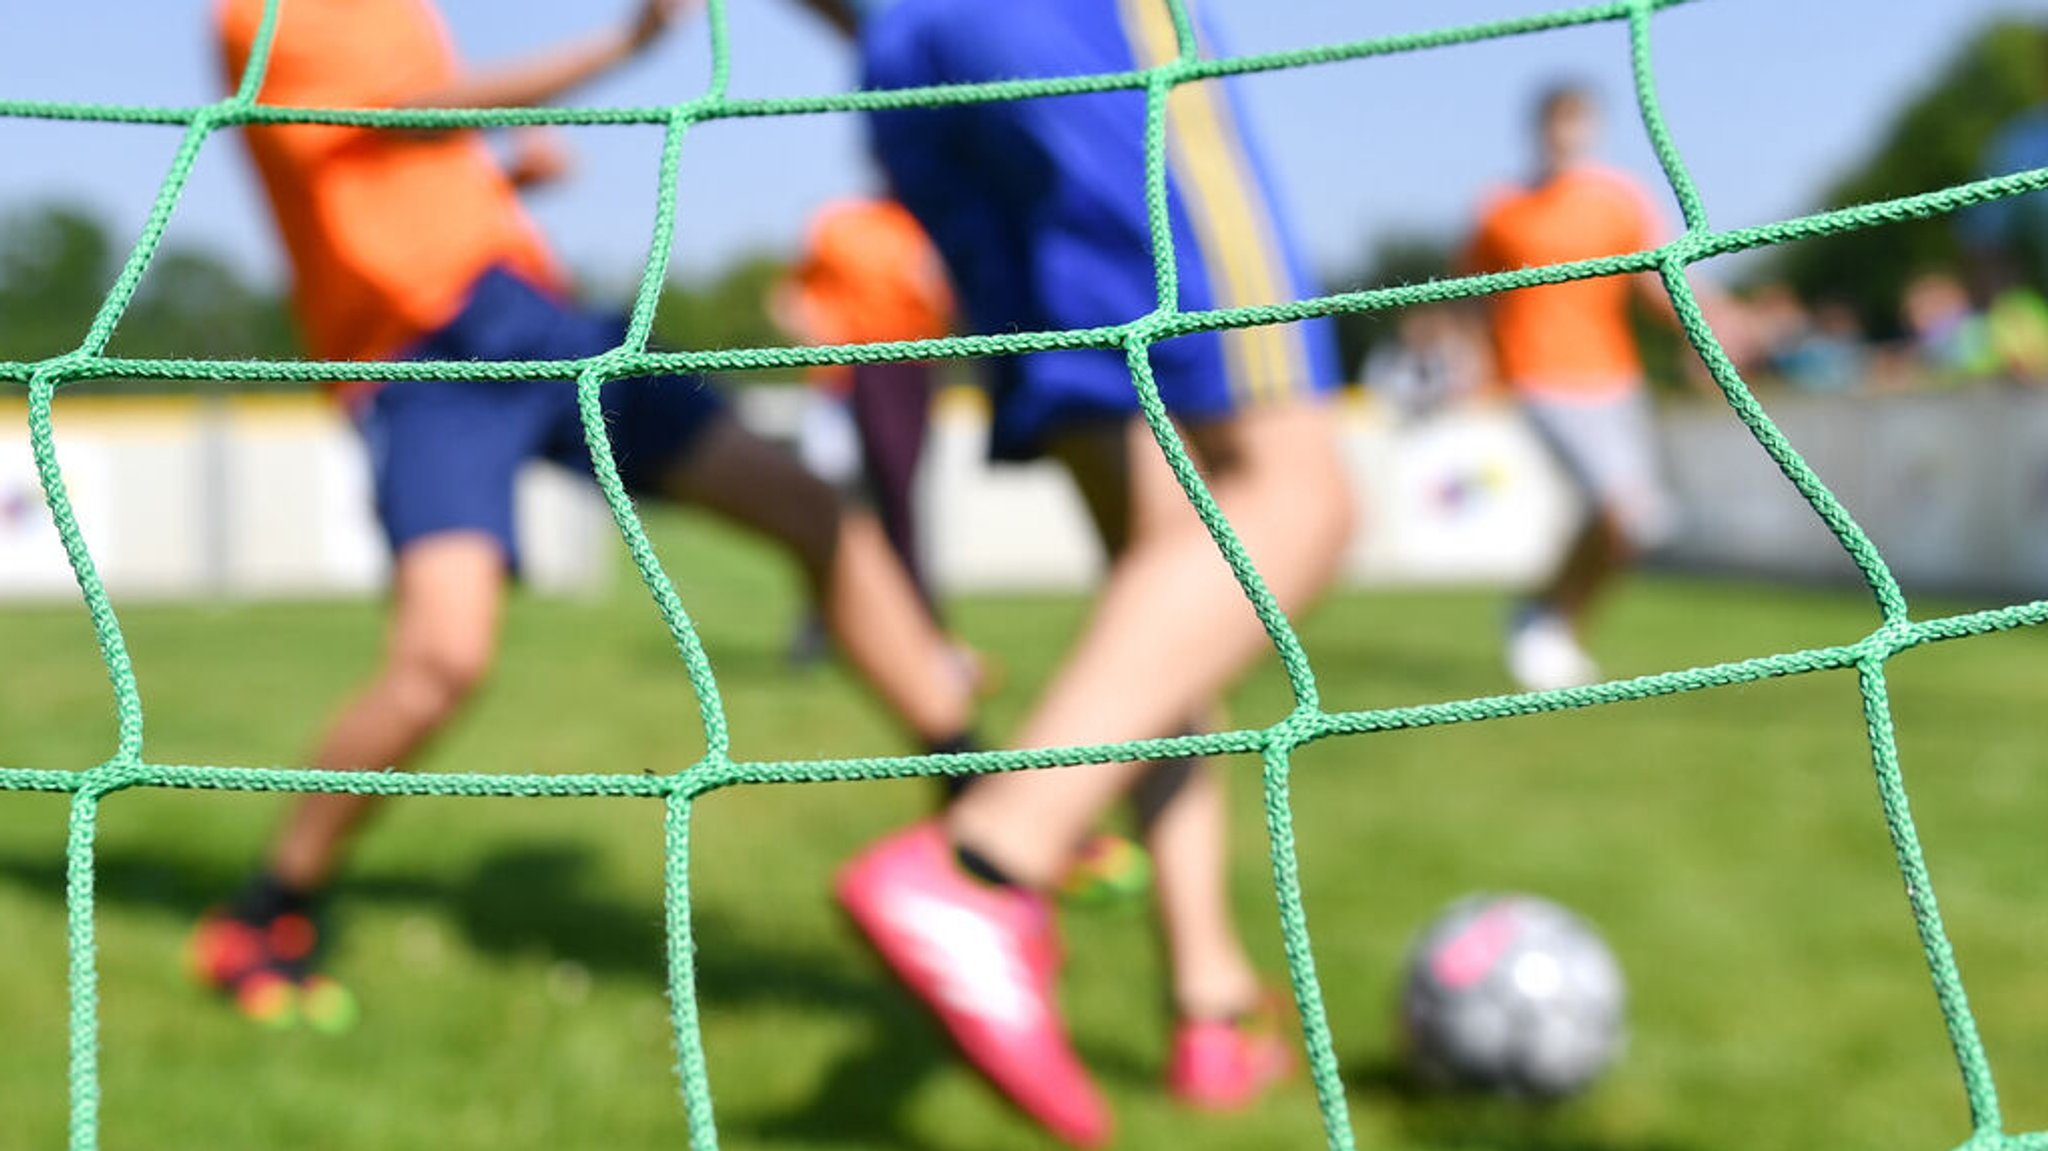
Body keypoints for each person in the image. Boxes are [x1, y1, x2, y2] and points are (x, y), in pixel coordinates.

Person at [190, 0, 977, 1030]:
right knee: (441, 660)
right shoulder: (263, 16)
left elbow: (385, 172)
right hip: (424, 362)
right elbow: (406, 116)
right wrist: (621, 46)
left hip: (527, 313)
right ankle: (268, 908)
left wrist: (508, 183)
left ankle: (980, 801)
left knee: (808, 507)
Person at [789, 1, 1354, 1144]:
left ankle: (1206, 1001)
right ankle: (987, 864)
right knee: (1297, 496)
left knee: (1166, 598)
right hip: (1069, 31)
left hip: (914, 64)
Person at [1463, 83, 1686, 692]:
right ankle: (1548, 624)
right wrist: (1473, 364)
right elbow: (1471, 295)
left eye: (1576, 123)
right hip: (1538, 376)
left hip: (1616, 375)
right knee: (1618, 508)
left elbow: (1655, 283)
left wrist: (1703, 335)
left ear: (1590, 130)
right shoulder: (1501, 208)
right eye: (1555, 123)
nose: (1565, 135)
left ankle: (1550, 618)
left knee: (1633, 525)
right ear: (1538, 129)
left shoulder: (1618, 201)